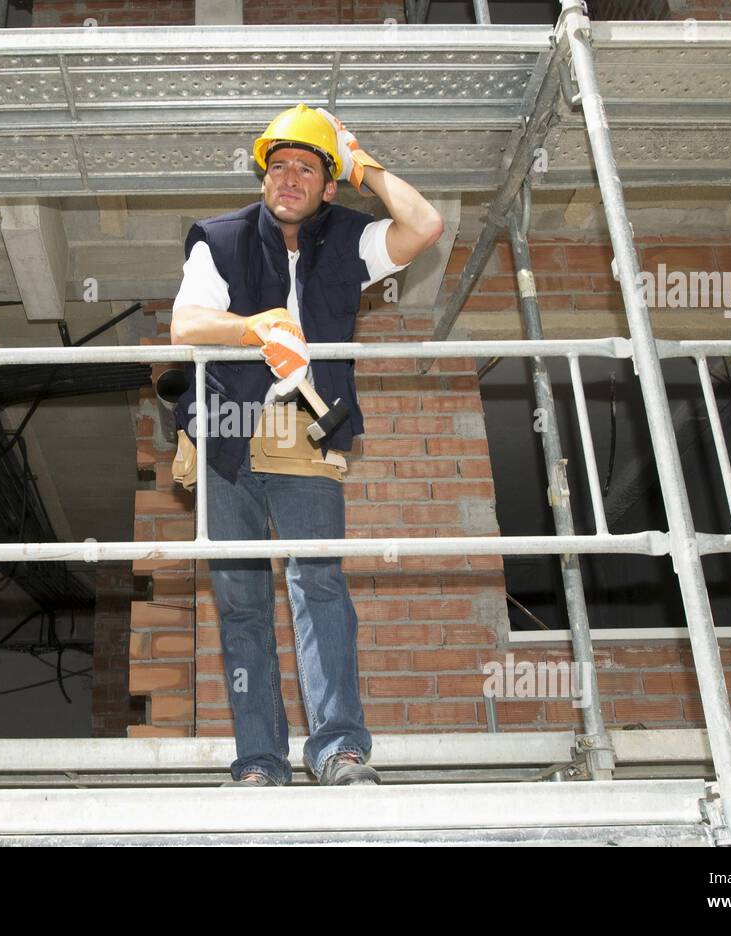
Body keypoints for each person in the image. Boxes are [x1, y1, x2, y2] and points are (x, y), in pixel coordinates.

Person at [169, 104, 444, 786]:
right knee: (240, 602)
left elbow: (425, 226)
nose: (289, 177)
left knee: (318, 582)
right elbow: (186, 325)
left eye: (308, 168)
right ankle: (260, 760)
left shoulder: (348, 239)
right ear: (264, 176)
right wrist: (255, 328)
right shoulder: (220, 238)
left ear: (328, 185)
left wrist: (364, 165)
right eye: (279, 165)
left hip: (308, 431)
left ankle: (338, 749)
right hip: (226, 432)